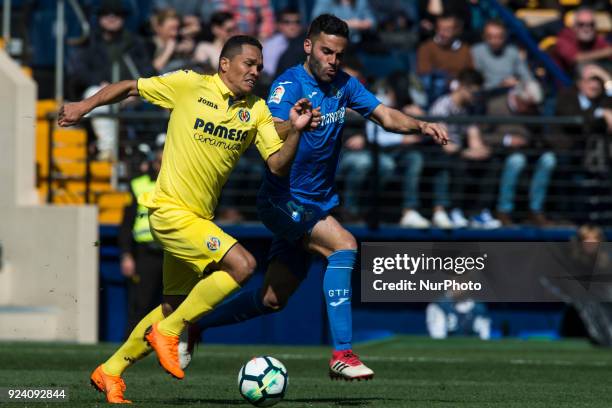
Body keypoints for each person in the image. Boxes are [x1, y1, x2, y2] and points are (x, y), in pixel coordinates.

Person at [182, 14, 448, 380]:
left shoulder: (345, 85)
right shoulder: (288, 85)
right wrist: (295, 123)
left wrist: (422, 125)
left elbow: (385, 115)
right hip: (282, 199)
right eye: (326, 51)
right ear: (308, 46)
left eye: (338, 54)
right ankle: (342, 354)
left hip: (315, 204)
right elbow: (270, 129)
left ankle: (195, 325)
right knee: (343, 246)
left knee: (272, 300)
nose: (333, 60)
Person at [58, 35, 320, 403]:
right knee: (243, 265)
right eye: (248, 63)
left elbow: (277, 164)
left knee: (172, 306)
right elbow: (129, 87)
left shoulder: (257, 110)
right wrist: (83, 107)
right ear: (224, 64)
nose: (256, 71)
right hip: (168, 210)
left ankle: (110, 371)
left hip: (198, 217)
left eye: (259, 66)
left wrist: (295, 128)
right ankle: (170, 331)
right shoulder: (189, 84)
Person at [119, 149, 164, 334]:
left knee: (173, 306)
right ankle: (129, 349)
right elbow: (126, 223)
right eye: (159, 161)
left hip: (172, 253)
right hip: (145, 253)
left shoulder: (180, 184)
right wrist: (126, 254)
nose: (162, 166)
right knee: (140, 305)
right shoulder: (139, 184)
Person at [471, 19, 536, 91]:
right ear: (483, 36)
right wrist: (500, 85)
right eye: (489, 37)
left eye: (499, 37)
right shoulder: (477, 51)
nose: (494, 41)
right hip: (489, 95)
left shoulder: (513, 51)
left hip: (512, 92)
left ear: (505, 36)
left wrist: (519, 83)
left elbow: (527, 76)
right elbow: (475, 82)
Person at [553, 7, 612, 75]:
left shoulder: (596, 38)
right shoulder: (564, 36)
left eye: (591, 24)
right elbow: (575, 58)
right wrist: (606, 52)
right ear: (574, 26)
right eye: (581, 24)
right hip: (565, 80)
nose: (587, 28)